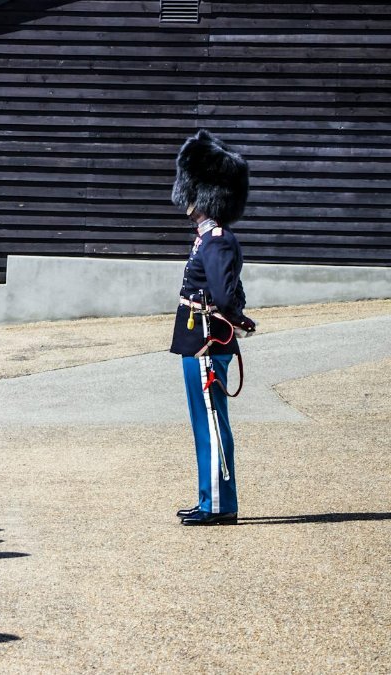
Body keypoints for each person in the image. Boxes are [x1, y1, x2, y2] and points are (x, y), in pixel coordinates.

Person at [169, 130, 257, 527]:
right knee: (203, 424)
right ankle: (208, 497)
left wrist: (237, 320)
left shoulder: (217, 240)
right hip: (197, 338)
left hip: (208, 339)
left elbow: (223, 296)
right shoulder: (206, 239)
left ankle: (220, 504)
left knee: (212, 423)